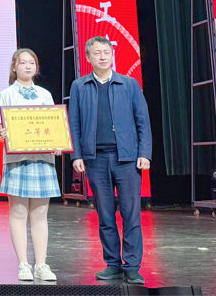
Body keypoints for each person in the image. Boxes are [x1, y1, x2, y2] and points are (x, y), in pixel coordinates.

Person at [69, 36, 151, 285]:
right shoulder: (79, 86)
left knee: (131, 214)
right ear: (88, 57)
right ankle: (112, 264)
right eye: (97, 53)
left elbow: (143, 121)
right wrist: (76, 155)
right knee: (105, 215)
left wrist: (144, 153)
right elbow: (74, 123)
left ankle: (132, 266)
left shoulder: (129, 84)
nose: (103, 57)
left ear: (112, 55)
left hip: (127, 159)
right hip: (95, 159)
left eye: (107, 52)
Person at [0, 48, 60, 283]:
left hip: (42, 159)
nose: (28, 66)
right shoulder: (6, 94)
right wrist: (1, 131)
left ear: (36, 67)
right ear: (14, 67)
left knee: (40, 214)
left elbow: (55, 125)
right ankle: (23, 263)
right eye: (23, 63)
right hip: (18, 160)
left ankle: (41, 264)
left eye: (32, 63)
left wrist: (58, 142)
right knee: (19, 212)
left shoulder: (45, 94)